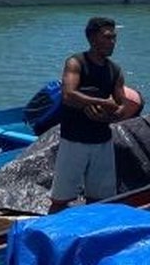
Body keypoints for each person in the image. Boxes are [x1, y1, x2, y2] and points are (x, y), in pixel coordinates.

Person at [48, 16, 125, 213]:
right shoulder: (76, 63)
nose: (112, 42)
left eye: (114, 37)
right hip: (74, 141)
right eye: (106, 37)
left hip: (102, 143)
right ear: (91, 38)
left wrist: (108, 117)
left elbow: (121, 106)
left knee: (102, 201)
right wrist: (101, 103)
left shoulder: (115, 71)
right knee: (60, 200)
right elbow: (68, 95)